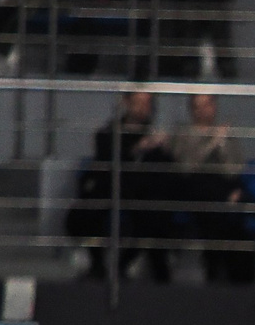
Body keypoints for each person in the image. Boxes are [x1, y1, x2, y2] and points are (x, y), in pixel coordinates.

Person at [66, 89, 174, 283]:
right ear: (127, 103)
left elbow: (164, 171)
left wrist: (164, 149)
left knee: (155, 215)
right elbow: (106, 159)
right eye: (139, 102)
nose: (143, 108)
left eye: (147, 103)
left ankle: (125, 265)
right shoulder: (109, 133)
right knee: (85, 214)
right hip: (109, 188)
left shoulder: (155, 137)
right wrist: (137, 148)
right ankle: (96, 262)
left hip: (142, 193)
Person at [175, 92, 255, 284]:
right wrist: (212, 142)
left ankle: (238, 277)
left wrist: (222, 145)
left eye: (208, 104)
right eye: (199, 106)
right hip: (196, 193)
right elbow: (186, 167)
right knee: (211, 195)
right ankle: (249, 203)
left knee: (233, 227)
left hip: (225, 191)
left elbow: (234, 169)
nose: (204, 110)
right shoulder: (183, 133)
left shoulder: (225, 134)